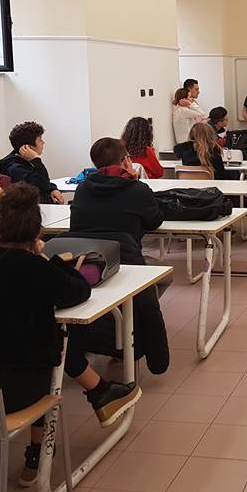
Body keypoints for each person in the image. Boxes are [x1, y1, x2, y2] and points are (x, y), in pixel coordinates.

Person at [0, 184, 101, 485]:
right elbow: (79, 290)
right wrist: (51, 260)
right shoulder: (35, 268)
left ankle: (99, 392)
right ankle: (37, 452)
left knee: (20, 347)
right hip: (14, 395)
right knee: (45, 356)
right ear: (38, 231)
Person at [68, 137, 169, 378]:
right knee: (163, 276)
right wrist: (136, 185)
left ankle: (113, 324)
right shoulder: (137, 190)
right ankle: (127, 325)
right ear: (125, 161)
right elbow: (155, 220)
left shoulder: (82, 189)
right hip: (125, 261)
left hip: (85, 263)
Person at [0, 121, 64, 204]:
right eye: (40, 140)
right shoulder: (15, 169)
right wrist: (36, 160)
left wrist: (53, 189)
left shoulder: (23, 160)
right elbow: (41, 186)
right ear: (28, 147)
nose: (43, 142)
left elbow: (42, 180)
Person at [174, 122, 239, 180]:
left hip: (189, 187)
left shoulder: (183, 149)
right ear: (210, 134)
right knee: (235, 173)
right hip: (211, 186)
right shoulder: (213, 149)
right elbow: (220, 173)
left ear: (191, 134)